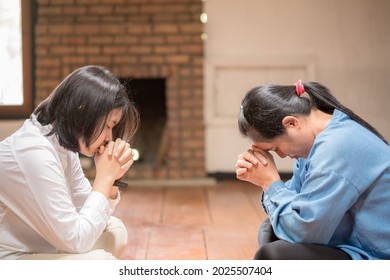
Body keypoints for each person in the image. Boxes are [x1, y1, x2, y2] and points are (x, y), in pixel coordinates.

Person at [235, 80, 390, 260]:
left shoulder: (336, 147)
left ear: (291, 123)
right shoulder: (319, 141)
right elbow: (296, 206)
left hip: (377, 256)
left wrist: (269, 182)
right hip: (347, 239)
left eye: (275, 148)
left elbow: (304, 229)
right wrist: (265, 180)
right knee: (269, 229)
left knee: (272, 255)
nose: (282, 155)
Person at [0, 65, 139, 260]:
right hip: (13, 257)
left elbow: (84, 206)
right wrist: (104, 178)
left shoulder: (62, 143)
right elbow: (76, 240)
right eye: (108, 126)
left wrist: (113, 181)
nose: (109, 137)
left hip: (48, 245)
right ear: (82, 110)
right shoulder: (33, 152)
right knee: (100, 262)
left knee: (116, 231)